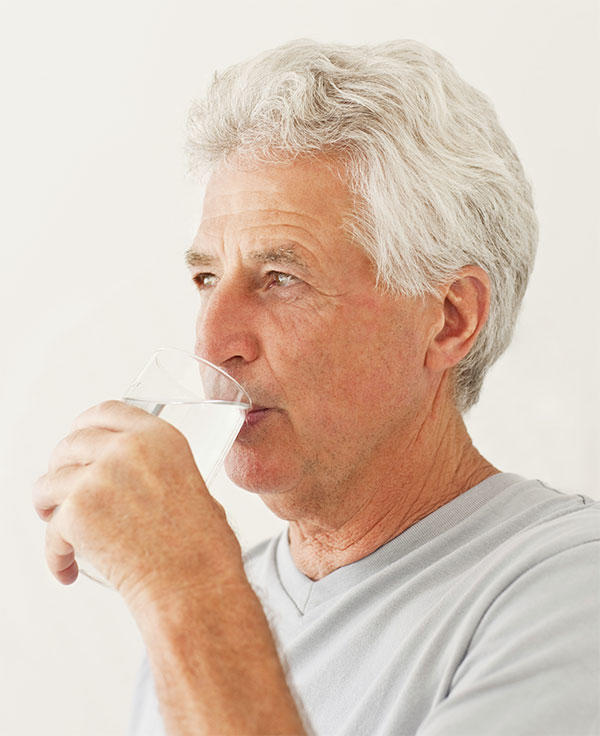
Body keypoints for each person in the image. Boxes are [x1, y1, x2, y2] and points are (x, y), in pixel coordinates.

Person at [33, 39, 599, 736]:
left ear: (449, 319)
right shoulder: (209, 604)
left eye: (281, 278)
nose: (214, 343)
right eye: (207, 279)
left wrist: (186, 592)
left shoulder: (568, 591)